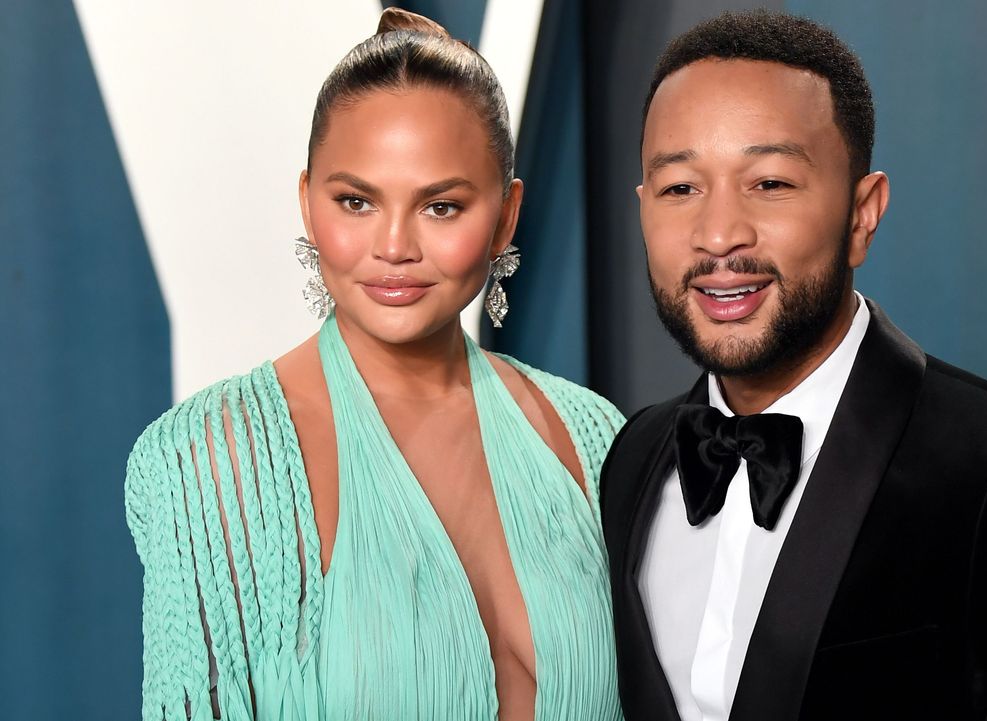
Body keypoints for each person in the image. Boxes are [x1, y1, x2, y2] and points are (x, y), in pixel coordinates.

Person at [600, 10, 987, 721]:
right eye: (680, 188)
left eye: (770, 183)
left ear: (862, 214)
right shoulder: (632, 462)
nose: (719, 234)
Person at [124, 9, 624, 721]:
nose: (393, 245)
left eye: (441, 206)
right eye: (355, 201)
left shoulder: (590, 436)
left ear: (506, 216)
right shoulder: (214, 458)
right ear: (307, 201)